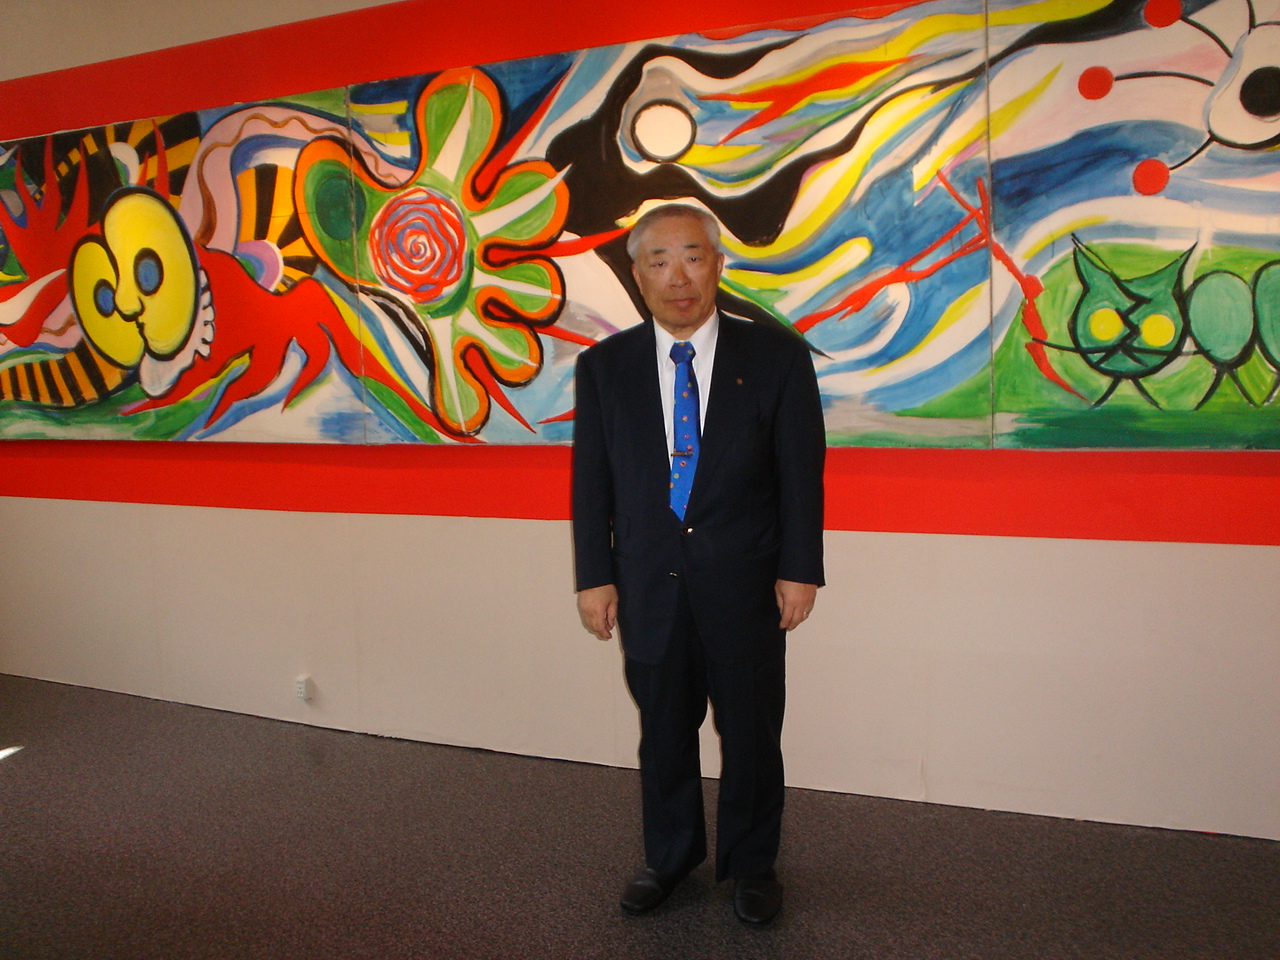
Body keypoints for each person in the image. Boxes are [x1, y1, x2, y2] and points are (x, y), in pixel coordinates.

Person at [571, 203, 825, 926]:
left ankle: (752, 863)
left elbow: (801, 476)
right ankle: (671, 855)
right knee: (664, 731)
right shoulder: (604, 367)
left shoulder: (776, 357)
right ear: (638, 274)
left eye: (692, 257)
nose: (677, 277)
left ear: (717, 264)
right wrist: (595, 575)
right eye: (658, 261)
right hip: (648, 583)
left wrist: (801, 568)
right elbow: (592, 483)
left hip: (746, 582)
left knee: (750, 734)